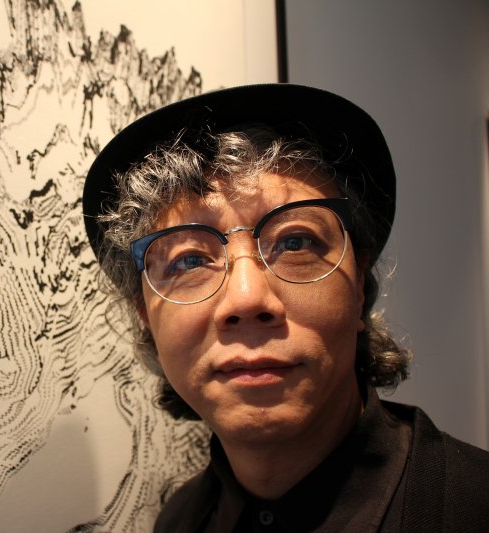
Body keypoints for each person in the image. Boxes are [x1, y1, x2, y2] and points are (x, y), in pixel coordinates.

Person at [82, 84, 489, 532]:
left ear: (359, 285)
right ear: (145, 317)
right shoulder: (177, 521)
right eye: (190, 261)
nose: (247, 298)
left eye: (295, 242)